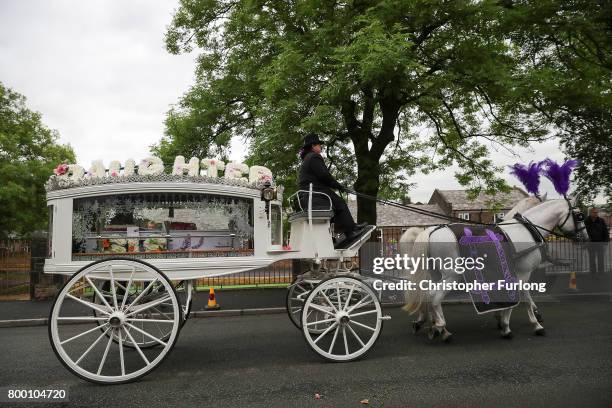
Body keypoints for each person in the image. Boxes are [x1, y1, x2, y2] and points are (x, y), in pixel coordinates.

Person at [298, 133, 367, 244]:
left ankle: (349, 228)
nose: (321, 147)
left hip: (308, 193)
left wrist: (335, 185)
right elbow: (324, 175)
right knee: (340, 203)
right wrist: (337, 185)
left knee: (336, 203)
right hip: (315, 192)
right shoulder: (314, 157)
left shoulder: (307, 158)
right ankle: (351, 232)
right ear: (313, 146)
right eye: (319, 145)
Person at [585, 207, 609, 275]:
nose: (596, 214)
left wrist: (605, 242)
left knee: (601, 259)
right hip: (590, 244)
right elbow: (584, 232)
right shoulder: (586, 221)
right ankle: (593, 273)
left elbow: (605, 232)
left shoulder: (601, 220)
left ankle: (601, 272)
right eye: (594, 212)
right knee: (592, 259)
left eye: (597, 212)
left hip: (600, 243)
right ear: (590, 213)